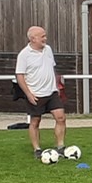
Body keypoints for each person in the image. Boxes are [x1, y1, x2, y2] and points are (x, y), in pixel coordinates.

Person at [15, 26, 67, 159]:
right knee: (35, 121)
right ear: (33, 39)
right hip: (36, 94)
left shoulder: (48, 50)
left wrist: (57, 86)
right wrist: (28, 94)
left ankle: (60, 147)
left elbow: (51, 68)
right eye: (42, 36)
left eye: (45, 35)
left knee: (61, 117)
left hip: (52, 92)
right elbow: (20, 76)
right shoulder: (24, 55)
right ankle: (37, 149)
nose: (45, 38)